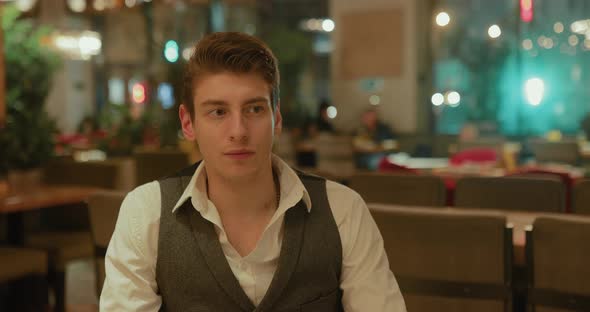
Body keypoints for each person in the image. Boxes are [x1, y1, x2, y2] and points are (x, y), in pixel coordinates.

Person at [100, 32, 406, 311]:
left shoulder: (343, 210)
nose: (239, 131)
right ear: (188, 122)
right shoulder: (145, 213)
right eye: (218, 112)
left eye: (254, 109)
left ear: (277, 117)